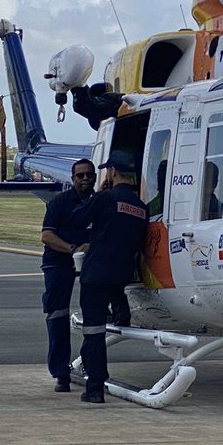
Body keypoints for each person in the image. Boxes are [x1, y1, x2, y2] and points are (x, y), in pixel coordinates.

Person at [74, 150, 148, 404]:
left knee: (93, 332)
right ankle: (121, 312)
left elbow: (79, 219)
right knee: (114, 308)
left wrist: (97, 194)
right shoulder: (141, 207)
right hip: (122, 274)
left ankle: (95, 387)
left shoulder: (105, 198)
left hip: (97, 274)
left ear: (112, 172)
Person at [40, 158, 97, 392]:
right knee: (56, 315)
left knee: (95, 316)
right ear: (72, 178)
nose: (84, 179)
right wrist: (73, 249)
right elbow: (46, 236)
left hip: (92, 263)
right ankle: (60, 372)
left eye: (89, 175)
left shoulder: (100, 201)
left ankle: (91, 365)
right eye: (79, 176)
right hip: (58, 261)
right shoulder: (59, 202)